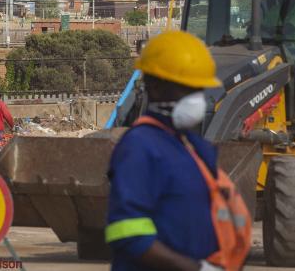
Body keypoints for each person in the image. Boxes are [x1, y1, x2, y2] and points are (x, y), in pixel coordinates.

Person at [106, 31, 251, 271]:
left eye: (199, 89)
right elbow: (128, 232)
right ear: (155, 86)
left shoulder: (193, 148)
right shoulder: (140, 147)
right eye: (187, 88)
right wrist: (195, 268)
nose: (196, 98)